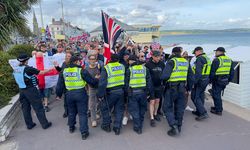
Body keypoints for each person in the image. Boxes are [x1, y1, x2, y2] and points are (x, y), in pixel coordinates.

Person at [56, 55, 99, 140]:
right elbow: (91, 81)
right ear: (75, 62)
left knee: (71, 111)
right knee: (82, 113)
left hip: (69, 94)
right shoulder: (81, 70)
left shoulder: (64, 70)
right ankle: (84, 132)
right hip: (80, 94)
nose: (80, 62)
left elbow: (59, 84)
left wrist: (59, 94)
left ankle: (71, 127)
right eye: (79, 61)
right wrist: (96, 79)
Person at [13, 53, 52, 130]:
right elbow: (41, 72)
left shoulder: (15, 68)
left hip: (21, 90)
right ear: (26, 60)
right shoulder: (28, 69)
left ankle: (29, 125)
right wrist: (51, 69)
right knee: (38, 107)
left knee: (25, 108)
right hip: (30, 90)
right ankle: (45, 124)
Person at [161, 47, 193, 136]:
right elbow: (191, 77)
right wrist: (188, 88)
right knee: (179, 108)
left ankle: (173, 126)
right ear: (180, 53)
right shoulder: (186, 62)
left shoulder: (172, 61)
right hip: (182, 88)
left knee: (167, 107)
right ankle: (179, 126)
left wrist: (163, 84)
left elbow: (165, 76)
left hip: (171, 88)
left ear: (173, 53)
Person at [97, 54, 126, 135]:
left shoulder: (106, 67)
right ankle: (117, 128)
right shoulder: (122, 66)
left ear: (110, 59)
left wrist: (100, 95)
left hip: (110, 92)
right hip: (121, 91)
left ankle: (106, 126)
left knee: (105, 108)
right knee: (119, 110)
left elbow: (102, 83)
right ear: (118, 59)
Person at [127, 55, 154, 134]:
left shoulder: (130, 69)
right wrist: (150, 93)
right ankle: (140, 124)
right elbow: (149, 83)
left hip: (133, 93)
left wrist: (127, 93)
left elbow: (126, 83)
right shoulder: (145, 69)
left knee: (135, 110)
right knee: (142, 109)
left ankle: (137, 127)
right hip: (143, 93)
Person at [210, 47, 234, 116]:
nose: (215, 53)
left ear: (220, 52)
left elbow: (212, 72)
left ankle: (219, 110)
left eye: (216, 51)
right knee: (217, 94)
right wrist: (229, 80)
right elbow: (232, 72)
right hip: (225, 80)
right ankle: (217, 107)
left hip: (217, 81)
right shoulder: (229, 60)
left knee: (216, 95)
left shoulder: (217, 60)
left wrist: (210, 80)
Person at [145, 51, 165, 127]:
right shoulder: (148, 64)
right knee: (152, 102)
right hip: (151, 86)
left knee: (157, 101)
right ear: (152, 56)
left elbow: (164, 73)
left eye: (159, 56)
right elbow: (146, 76)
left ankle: (155, 113)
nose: (158, 58)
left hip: (159, 86)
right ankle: (152, 118)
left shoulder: (162, 64)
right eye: (156, 56)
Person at [191, 47, 211, 120]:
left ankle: (203, 113)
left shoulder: (199, 58)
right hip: (206, 79)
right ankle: (199, 111)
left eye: (195, 52)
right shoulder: (207, 58)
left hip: (200, 80)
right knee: (201, 96)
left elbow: (198, 72)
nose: (195, 54)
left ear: (198, 51)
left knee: (195, 97)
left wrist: (194, 82)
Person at [55, 51, 74, 118]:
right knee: (65, 100)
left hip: (72, 85)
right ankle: (66, 112)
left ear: (72, 58)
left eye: (68, 56)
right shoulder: (64, 63)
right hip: (64, 85)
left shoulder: (73, 65)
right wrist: (57, 67)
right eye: (66, 56)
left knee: (71, 100)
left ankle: (72, 111)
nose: (66, 57)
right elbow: (61, 71)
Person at [85, 54, 102, 127]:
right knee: (92, 104)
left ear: (96, 60)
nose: (92, 61)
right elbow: (85, 79)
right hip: (91, 88)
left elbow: (102, 76)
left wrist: (99, 77)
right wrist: (86, 89)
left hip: (99, 87)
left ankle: (97, 113)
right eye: (91, 59)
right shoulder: (86, 69)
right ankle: (93, 120)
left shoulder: (99, 67)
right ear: (88, 60)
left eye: (93, 59)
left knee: (99, 101)